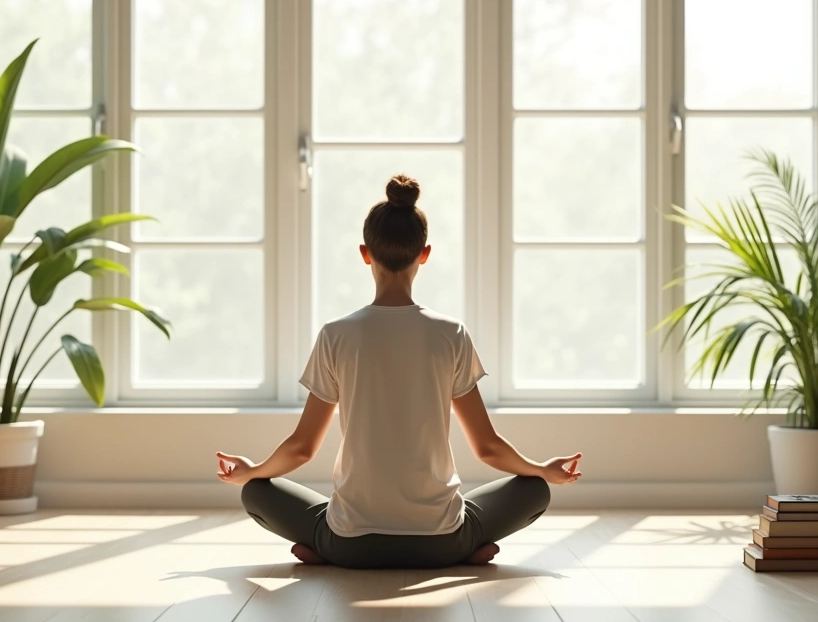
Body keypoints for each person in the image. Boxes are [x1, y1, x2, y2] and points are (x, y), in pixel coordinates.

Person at [215, 174, 582, 569]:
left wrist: (252, 471)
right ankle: (468, 550)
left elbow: (302, 449)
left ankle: (323, 549)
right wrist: (542, 470)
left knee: (255, 492)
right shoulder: (450, 334)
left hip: (352, 544)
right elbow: (487, 447)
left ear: (364, 253)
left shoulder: (336, 335)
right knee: (535, 490)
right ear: (424, 254)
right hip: (442, 543)